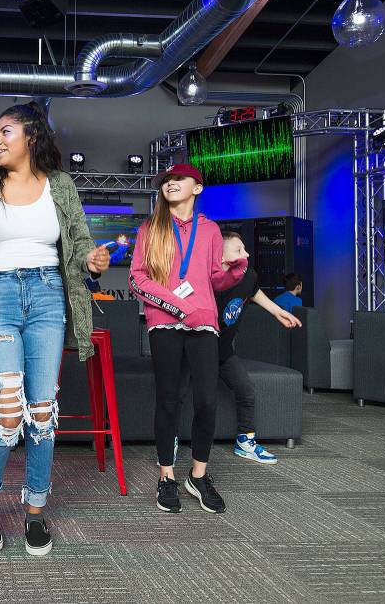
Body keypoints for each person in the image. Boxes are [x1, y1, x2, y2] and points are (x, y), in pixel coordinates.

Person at [0, 102, 110, 556]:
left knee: (42, 412)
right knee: (8, 409)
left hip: (49, 296)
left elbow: (79, 244)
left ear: (32, 136)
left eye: (6, 131)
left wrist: (92, 261)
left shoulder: (61, 185)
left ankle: (35, 509)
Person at [129, 163, 247, 515]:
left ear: (197, 187)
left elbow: (214, 279)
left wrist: (233, 273)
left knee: (207, 401)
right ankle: (166, 476)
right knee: (168, 399)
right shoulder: (150, 227)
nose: (170, 184)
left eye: (178, 179)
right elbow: (137, 279)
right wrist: (178, 307)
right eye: (166, 181)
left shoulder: (210, 230)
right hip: (164, 322)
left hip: (204, 325)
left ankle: (198, 475)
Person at [212, 231, 301, 464]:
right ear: (219, 257)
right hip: (195, 349)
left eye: (245, 249)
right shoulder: (206, 279)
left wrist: (277, 312)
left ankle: (245, 441)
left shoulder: (248, 275)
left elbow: (253, 292)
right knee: (178, 394)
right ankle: (170, 440)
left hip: (222, 351)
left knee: (246, 390)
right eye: (238, 250)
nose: (246, 253)